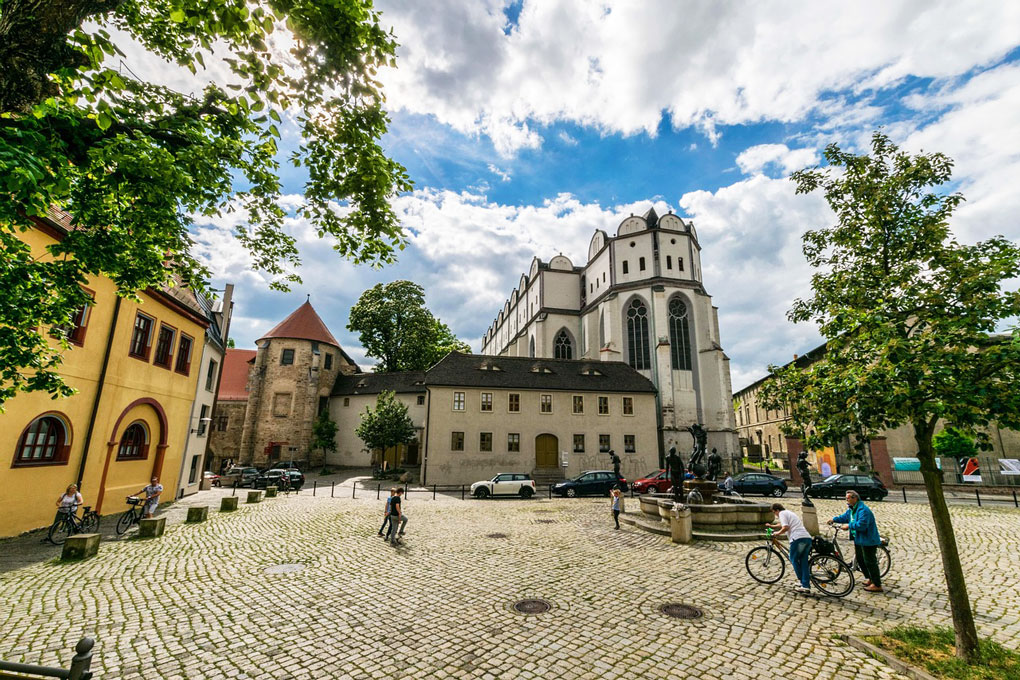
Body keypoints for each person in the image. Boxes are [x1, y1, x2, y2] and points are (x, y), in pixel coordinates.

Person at [829, 490, 884, 593]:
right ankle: (870, 578)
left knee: (870, 561)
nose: (846, 500)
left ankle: (877, 584)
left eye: (848, 498)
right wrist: (834, 519)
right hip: (859, 539)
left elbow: (862, 525)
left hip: (868, 540)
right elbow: (845, 517)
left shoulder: (863, 510)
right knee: (861, 560)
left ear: (855, 498)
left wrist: (849, 526)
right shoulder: (852, 509)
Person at [768, 503, 813, 593]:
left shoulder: (782, 514)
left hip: (798, 539)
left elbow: (785, 527)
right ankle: (805, 584)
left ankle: (804, 583)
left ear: (777, 510)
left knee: (793, 559)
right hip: (806, 538)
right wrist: (772, 526)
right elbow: (783, 524)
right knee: (803, 561)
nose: (775, 515)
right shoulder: (788, 512)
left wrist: (777, 533)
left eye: (774, 512)